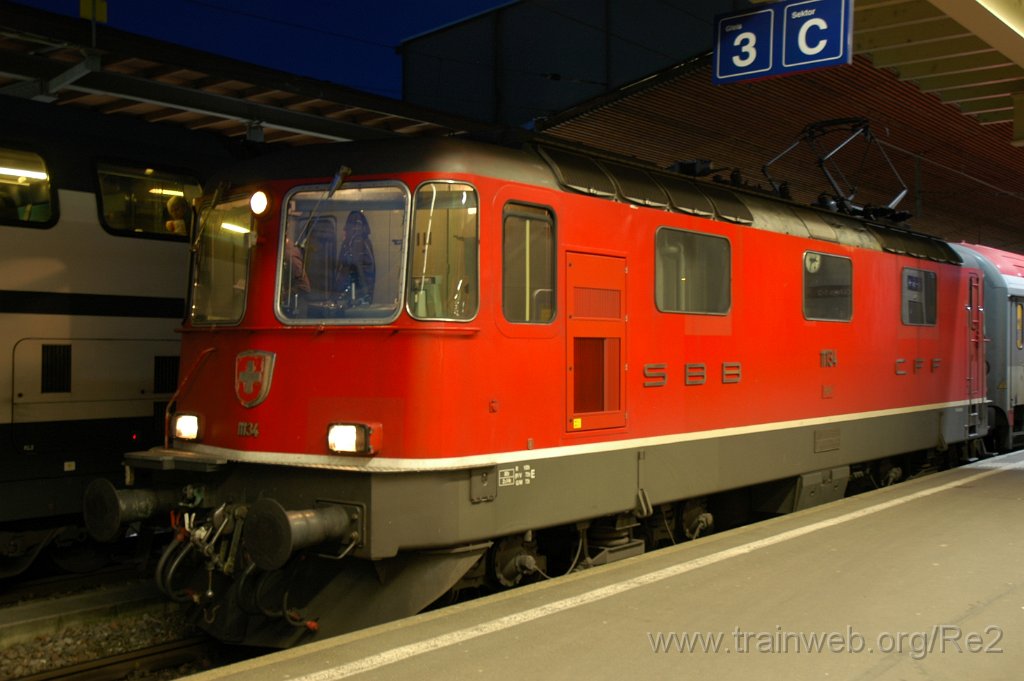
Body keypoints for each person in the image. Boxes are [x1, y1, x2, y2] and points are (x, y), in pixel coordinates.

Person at [337, 211, 375, 305]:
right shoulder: (362, 242)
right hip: (358, 291)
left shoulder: (357, 243)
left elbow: (357, 267)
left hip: (357, 292)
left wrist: (365, 292)